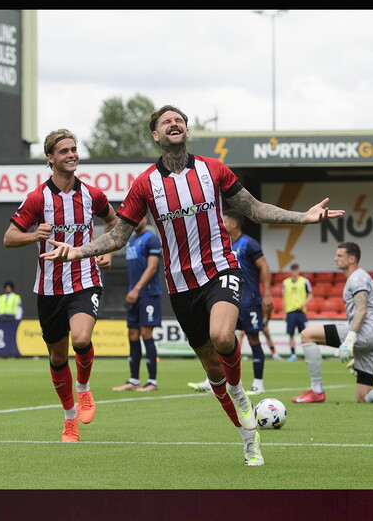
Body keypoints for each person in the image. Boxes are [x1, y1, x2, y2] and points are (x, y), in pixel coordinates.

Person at [39, 105, 345, 466]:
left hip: (220, 269)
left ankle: (238, 391)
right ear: (156, 135)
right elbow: (118, 235)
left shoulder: (213, 169)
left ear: (186, 131)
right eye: (166, 121)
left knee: (223, 337)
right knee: (212, 367)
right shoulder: (144, 184)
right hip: (181, 286)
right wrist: (76, 252)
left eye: (179, 120)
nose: (174, 123)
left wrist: (303, 218)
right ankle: (248, 438)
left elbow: (255, 209)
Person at [3, 128, 117, 443]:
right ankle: (69, 420)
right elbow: (9, 237)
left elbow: (114, 222)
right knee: (56, 358)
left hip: (85, 279)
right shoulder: (37, 198)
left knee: (81, 339)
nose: (71, 155)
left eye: (74, 149)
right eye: (64, 151)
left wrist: (106, 250)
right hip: (49, 288)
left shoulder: (92, 194)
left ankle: (84, 390)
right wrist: (33, 236)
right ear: (50, 158)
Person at [291, 242, 373, 406]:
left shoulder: (357, 278)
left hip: (364, 331)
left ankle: (316, 391)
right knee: (364, 397)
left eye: (339, 255)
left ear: (352, 258)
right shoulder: (360, 277)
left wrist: (350, 339)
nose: (335, 258)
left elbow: (362, 309)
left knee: (306, 335)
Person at [188, 210, 273, 395]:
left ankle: (258, 383)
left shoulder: (249, 243)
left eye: (224, 220)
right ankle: (215, 381)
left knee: (253, 338)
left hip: (249, 299)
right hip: (227, 298)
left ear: (234, 224)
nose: (221, 223)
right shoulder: (220, 246)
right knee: (219, 338)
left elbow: (264, 266)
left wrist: (267, 294)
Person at [112, 216, 162, 392]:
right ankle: (133, 380)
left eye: (138, 217)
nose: (135, 220)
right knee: (132, 334)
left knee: (146, 333)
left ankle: (152, 382)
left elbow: (152, 267)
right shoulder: (131, 240)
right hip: (134, 294)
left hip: (148, 293)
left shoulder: (151, 239)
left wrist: (137, 289)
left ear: (145, 219)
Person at [281, 263, 312, 362]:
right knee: (291, 334)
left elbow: (310, 295)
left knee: (304, 334)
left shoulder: (304, 281)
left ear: (298, 271)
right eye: (292, 270)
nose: (294, 272)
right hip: (290, 311)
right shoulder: (285, 283)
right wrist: (284, 312)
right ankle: (293, 354)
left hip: (300, 311)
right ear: (291, 271)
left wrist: (303, 304)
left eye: (296, 270)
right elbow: (283, 298)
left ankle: (307, 354)